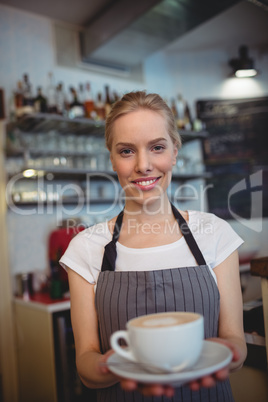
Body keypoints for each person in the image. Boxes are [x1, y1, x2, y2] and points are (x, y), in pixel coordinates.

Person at [60, 91, 247, 401]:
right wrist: (109, 366)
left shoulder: (215, 233)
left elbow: (235, 344)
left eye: (157, 147)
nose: (143, 165)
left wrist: (230, 352)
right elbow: (86, 364)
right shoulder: (86, 248)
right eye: (126, 151)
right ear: (112, 158)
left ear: (174, 151)